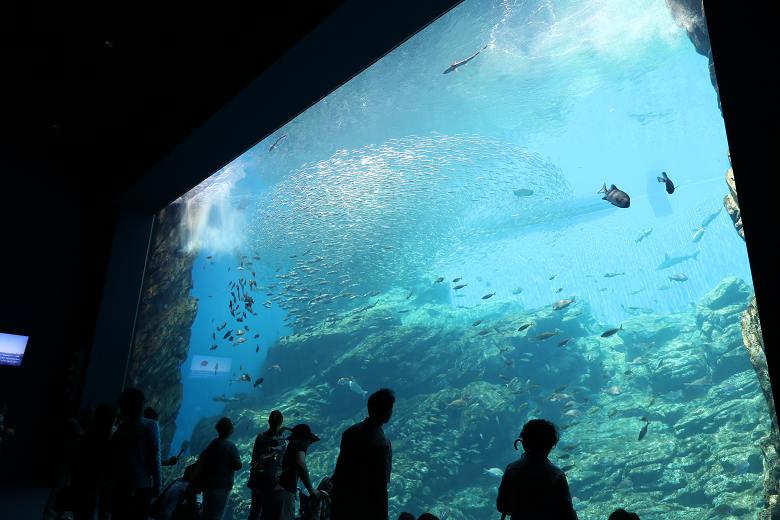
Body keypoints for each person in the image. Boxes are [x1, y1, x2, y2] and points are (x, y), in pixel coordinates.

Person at [331, 388, 395, 520]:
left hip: (343, 501)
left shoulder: (350, 432)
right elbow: (381, 483)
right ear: (387, 413)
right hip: (368, 506)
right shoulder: (383, 444)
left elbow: (340, 469)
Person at [496, 419, 578, 519]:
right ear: (552, 445)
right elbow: (567, 512)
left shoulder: (512, 469)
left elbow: (502, 506)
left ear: (522, 443)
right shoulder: (556, 474)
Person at [110, 388, 162, 520]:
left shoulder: (121, 428)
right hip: (141, 486)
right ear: (140, 404)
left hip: (120, 484)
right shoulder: (151, 425)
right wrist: (158, 484)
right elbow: (155, 457)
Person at [264, 424, 321, 520]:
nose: (310, 444)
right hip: (285, 488)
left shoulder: (289, 444)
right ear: (306, 438)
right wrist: (311, 489)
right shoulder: (300, 444)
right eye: (310, 441)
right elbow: (300, 463)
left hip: (271, 486)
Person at [69, 403, 116, 520]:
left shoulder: (86, 436)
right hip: (98, 485)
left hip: (82, 481)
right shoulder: (110, 442)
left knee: (81, 512)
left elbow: (77, 460)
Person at [197, 417, 243, 520]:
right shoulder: (230, 446)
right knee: (216, 515)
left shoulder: (213, 443)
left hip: (208, 485)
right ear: (230, 429)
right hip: (222, 487)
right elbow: (237, 465)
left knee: (206, 513)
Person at [248, 410, 287, 520]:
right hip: (273, 482)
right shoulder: (282, 441)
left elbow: (254, 459)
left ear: (269, 421)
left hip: (257, 479)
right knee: (269, 513)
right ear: (281, 423)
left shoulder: (260, 437)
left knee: (254, 511)